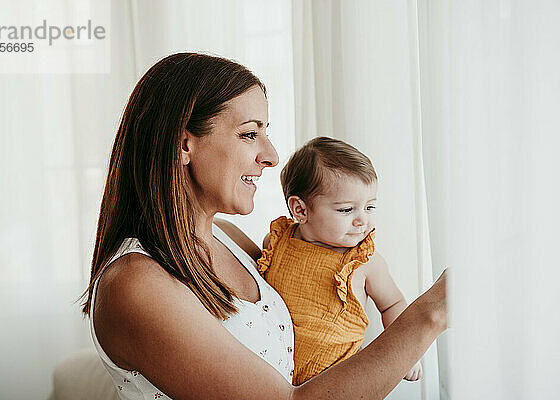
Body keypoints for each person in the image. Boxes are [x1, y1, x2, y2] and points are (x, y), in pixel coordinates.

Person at [80, 52, 447, 400]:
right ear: (183, 144)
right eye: (249, 134)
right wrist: (431, 313)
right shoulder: (136, 283)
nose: (271, 156)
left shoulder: (228, 238)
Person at [257, 137, 421, 385]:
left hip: (334, 383)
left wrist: (406, 353)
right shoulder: (276, 243)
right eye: (347, 210)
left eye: (369, 207)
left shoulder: (365, 263)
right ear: (300, 210)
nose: (362, 220)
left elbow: (393, 303)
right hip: (270, 374)